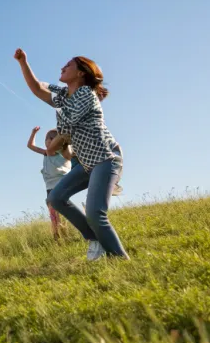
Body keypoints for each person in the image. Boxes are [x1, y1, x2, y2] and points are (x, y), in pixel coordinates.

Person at [14, 49, 129, 260]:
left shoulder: (85, 94)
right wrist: (23, 63)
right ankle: (94, 238)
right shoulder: (65, 95)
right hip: (86, 162)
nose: (62, 67)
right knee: (56, 198)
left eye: (68, 65)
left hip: (105, 158)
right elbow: (38, 87)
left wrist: (53, 144)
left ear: (81, 73)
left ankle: (120, 259)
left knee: (95, 213)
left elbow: (67, 127)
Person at [27, 126, 72, 240]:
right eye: (47, 138)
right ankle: (58, 234)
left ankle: (62, 233)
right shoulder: (46, 153)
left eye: (50, 138)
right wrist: (33, 133)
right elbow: (30, 146)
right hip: (50, 187)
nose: (47, 141)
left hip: (60, 184)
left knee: (59, 209)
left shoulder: (62, 153)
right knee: (53, 211)